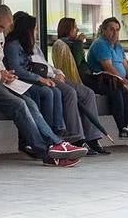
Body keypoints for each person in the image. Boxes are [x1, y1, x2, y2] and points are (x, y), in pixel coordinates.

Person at [0, 5, 85, 165]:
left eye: (4, 29)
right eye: (0, 26)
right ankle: (47, 151)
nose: (0, 31)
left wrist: (5, 74)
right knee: (19, 105)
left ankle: (55, 143)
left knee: (28, 102)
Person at [7, 12, 109, 155]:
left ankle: (92, 138)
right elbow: (21, 68)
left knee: (87, 93)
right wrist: (42, 78)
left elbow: (44, 63)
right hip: (40, 78)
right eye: (35, 28)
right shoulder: (21, 45)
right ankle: (73, 136)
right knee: (66, 92)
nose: (37, 32)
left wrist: (57, 71)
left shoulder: (33, 45)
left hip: (52, 75)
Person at [86, 17, 128, 140]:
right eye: (111, 29)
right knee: (122, 91)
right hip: (102, 80)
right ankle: (126, 127)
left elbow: (126, 66)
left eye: (117, 30)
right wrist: (127, 82)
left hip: (117, 80)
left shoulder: (118, 46)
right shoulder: (100, 44)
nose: (115, 33)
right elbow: (108, 68)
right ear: (103, 30)